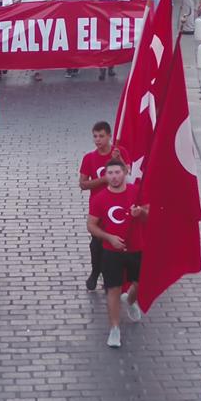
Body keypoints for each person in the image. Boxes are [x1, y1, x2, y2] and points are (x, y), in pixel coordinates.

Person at [87, 158, 145, 348]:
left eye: (117, 173)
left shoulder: (136, 192)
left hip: (136, 248)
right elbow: (91, 225)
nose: (113, 177)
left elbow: (149, 213)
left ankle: (130, 300)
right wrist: (109, 237)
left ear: (125, 172)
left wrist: (141, 213)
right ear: (106, 175)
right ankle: (114, 329)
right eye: (110, 173)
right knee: (113, 289)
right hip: (111, 252)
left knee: (138, 284)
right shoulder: (99, 199)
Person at [78, 121, 119, 291]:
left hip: (116, 205)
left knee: (113, 243)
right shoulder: (89, 158)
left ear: (109, 136)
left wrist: (120, 161)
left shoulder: (117, 154)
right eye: (95, 136)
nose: (98, 140)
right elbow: (83, 183)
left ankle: (111, 278)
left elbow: (129, 176)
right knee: (97, 243)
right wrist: (102, 180)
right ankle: (96, 272)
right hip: (98, 206)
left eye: (101, 136)